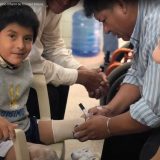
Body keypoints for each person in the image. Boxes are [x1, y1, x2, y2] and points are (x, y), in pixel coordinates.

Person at [74, 0, 160, 160]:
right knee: (119, 132)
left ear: (121, 5)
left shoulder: (157, 24)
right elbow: (137, 73)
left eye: (104, 20)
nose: (105, 30)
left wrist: (107, 127)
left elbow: (153, 110)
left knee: (146, 149)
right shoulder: (144, 23)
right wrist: (109, 111)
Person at [0, 4, 85, 160]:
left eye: (27, 38)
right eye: (12, 36)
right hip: (4, 140)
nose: (20, 45)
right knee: (46, 154)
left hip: (25, 125)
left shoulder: (25, 64)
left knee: (82, 126)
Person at [26, 0, 108, 120]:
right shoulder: (30, 6)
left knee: (62, 85)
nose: (65, 2)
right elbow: (30, 63)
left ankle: (52, 135)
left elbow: (53, 46)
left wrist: (83, 71)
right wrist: (80, 76)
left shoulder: (53, 7)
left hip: (27, 65)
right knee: (49, 95)